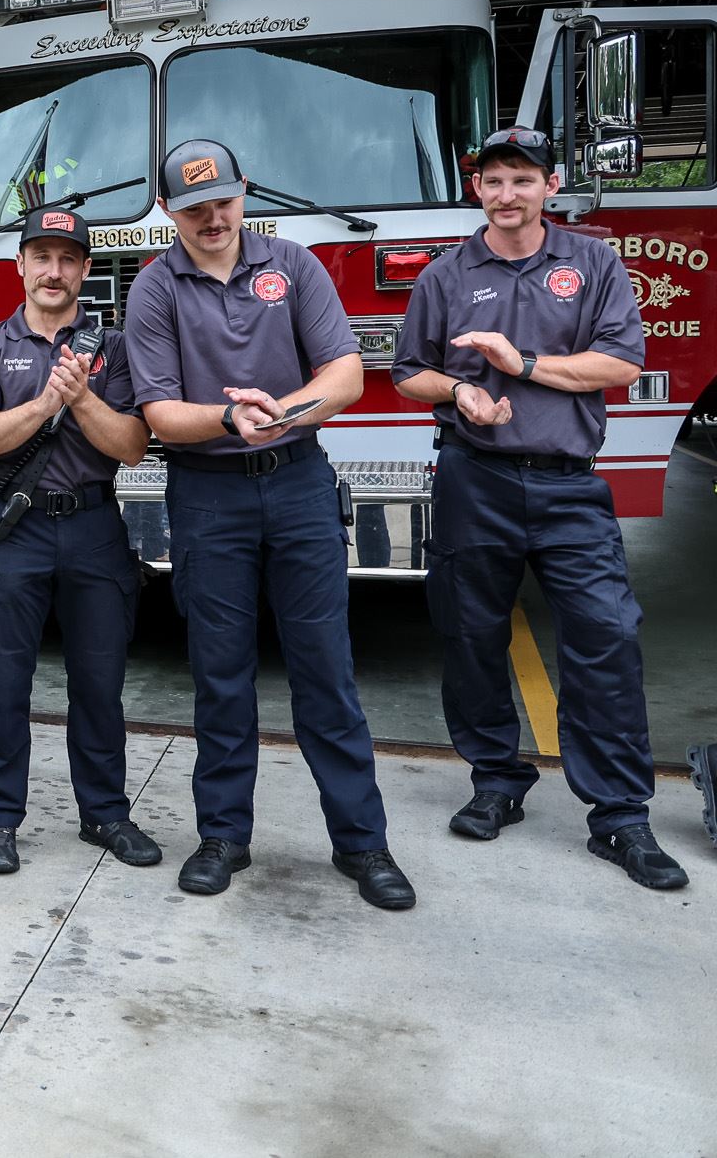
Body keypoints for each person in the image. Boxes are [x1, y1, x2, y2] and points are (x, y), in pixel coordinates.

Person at [124, 138, 416, 911]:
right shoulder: (155, 290)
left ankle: (363, 842)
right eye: (192, 208)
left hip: (298, 488)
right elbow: (158, 413)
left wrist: (276, 416)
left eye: (221, 199)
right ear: (169, 212)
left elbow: (346, 373)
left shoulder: (295, 264)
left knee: (326, 666)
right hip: (207, 496)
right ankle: (223, 835)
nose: (211, 217)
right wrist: (227, 416)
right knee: (220, 673)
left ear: (243, 190)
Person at [391, 127, 686, 890]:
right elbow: (408, 372)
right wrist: (458, 389)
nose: (507, 193)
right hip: (473, 478)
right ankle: (496, 781)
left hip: (568, 483)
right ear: (476, 190)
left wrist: (518, 363)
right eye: (493, 179)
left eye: (523, 178)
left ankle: (621, 816)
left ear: (551, 186)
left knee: (606, 635)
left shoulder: (591, 261)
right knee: (469, 633)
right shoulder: (448, 273)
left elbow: (621, 361)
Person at [0, 206, 158, 875]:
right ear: (20, 265)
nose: (53, 269)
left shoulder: (112, 348)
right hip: (19, 528)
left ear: (85, 270)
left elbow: (131, 447)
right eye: (41, 256)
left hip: (96, 527)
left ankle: (105, 813)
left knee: (99, 681)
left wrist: (83, 397)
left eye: (68, 258)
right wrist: (44, 403)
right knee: (5, 682)